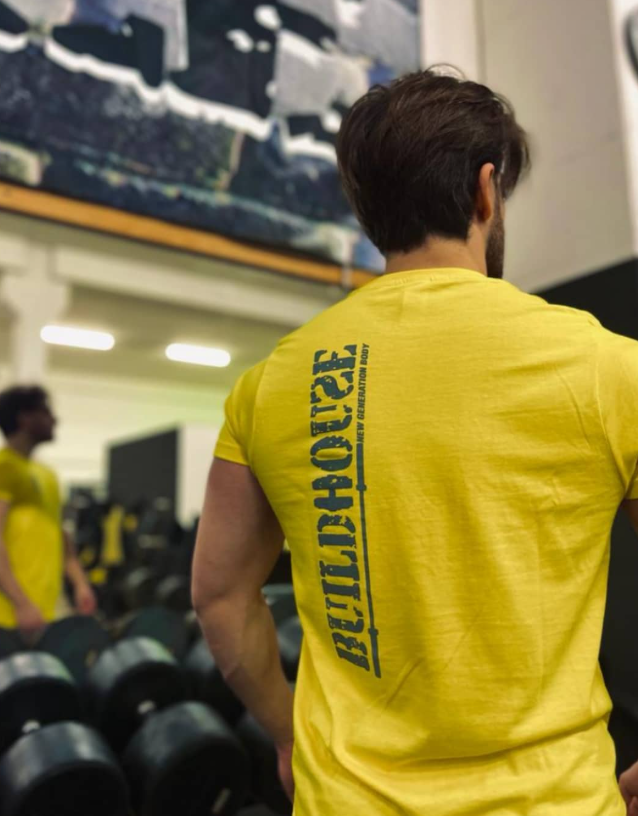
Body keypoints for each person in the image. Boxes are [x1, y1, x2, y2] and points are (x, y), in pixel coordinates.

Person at [191, 67, 638, 816]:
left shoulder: (269, 386)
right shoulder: (608, 367)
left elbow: (219, 597)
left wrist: (289, 735)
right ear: (486, 192)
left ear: (370, 212)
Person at [0, 385, 96, 640]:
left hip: (47, 612)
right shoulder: (4, 467)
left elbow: (62, 538)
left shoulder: (48, 475)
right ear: (24, 418)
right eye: (46, 412)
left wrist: (80, 583)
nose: (54, 419)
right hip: (9, 615)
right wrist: (21, 603)